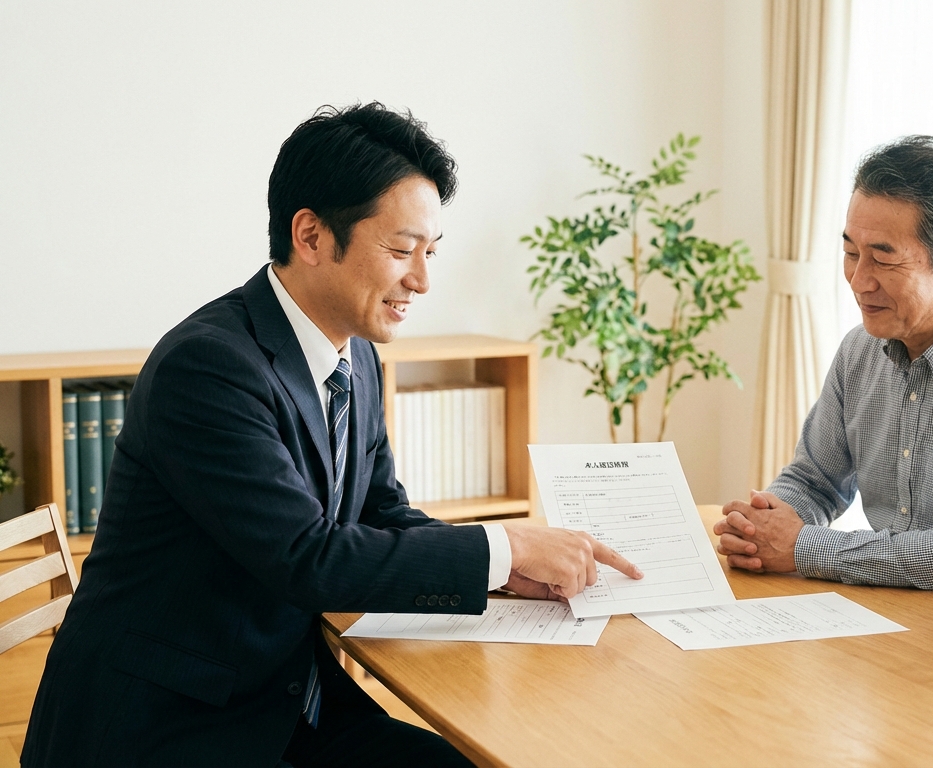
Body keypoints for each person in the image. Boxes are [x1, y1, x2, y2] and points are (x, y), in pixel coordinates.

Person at [23, 103, 643, 767]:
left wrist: (509, 573)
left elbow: (382, 514)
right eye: (402, 251)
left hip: (287, 701)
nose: (423, 280)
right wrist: (503, 547)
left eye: (430, 253)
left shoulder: (356, 356)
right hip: (169, 727)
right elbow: (307, 557)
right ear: (311, 236)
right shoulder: (208, 367)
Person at [715, 136, 933, 589]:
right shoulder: (859, 351)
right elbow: (814, 480)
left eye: (883, 259)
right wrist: (757, 529)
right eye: (850, 254)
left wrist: (802, 547)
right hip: (882, 609)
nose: (859, 281)